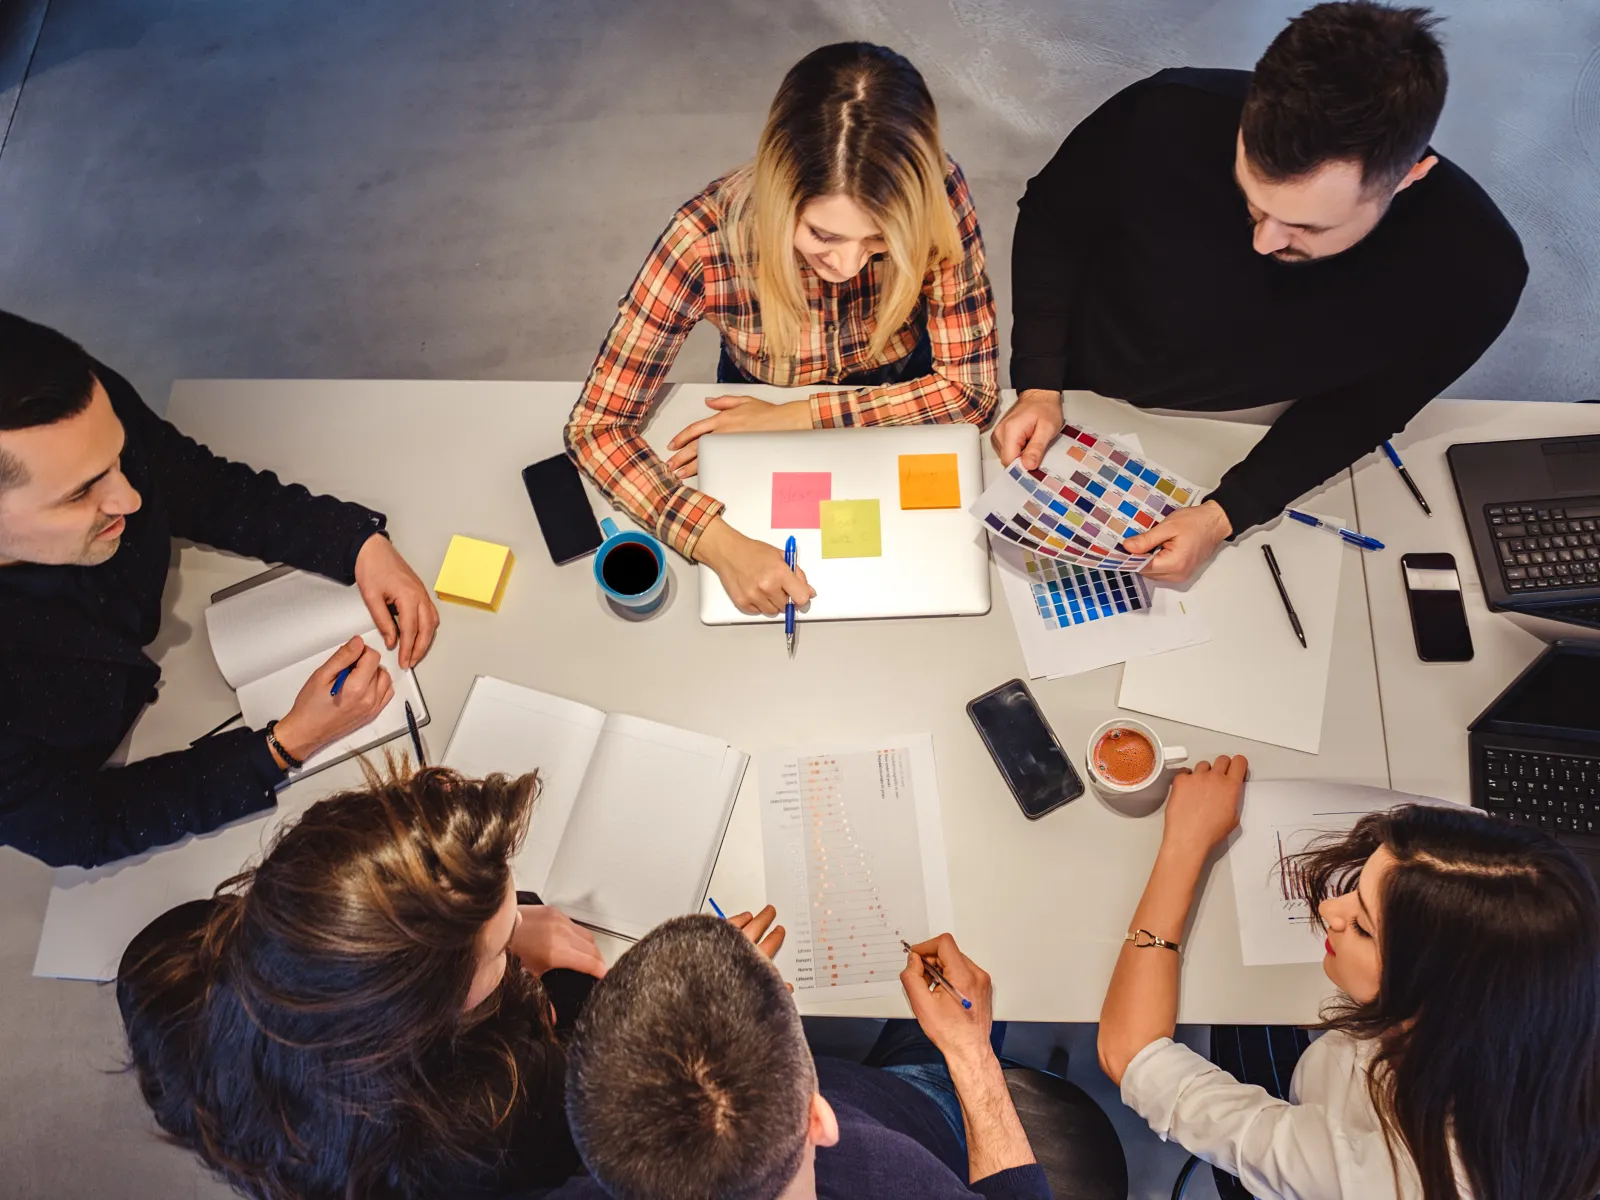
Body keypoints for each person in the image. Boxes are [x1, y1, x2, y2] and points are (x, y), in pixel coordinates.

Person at [996, 2, 1527, 583]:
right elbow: (1056, 223)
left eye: (1307, 227)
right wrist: (1040, 379)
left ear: (1407, 178)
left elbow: (1367, 408)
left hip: (1251, 426)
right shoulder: (1161, 113)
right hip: (1089, 378)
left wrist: (1226, 514)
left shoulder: (1477, 274)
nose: (1264, 241)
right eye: (1252, 194)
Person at [566, 41, 998, 615]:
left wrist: (800, 416)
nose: (847, 267)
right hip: (758, 387)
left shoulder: (936, 192)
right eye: (824, 235)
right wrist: (717, 544)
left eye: (879, 242)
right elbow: (596, 427)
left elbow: (969, 392)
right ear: (778, 188)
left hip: (900, 384)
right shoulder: (703, 240)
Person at [0, 310, 440, 867]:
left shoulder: (73, 406)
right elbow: (85, 823)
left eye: (116, 459)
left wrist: (355, 543)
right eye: (80, 494)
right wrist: (282, 747)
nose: (130, 499)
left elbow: (189, 481)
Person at [1097, 757, 1600, 1200]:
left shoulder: (1382, 1176)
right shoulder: (1545, 1007)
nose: (1328, 909)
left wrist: (1184, 844)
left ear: (1441, 997)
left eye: (1362, 926)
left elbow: (1129, 1052)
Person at [117, 766, 608, 1200]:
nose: (520, 923)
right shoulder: (495, 1115)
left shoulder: (169, 973)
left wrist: (495, 933)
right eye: (503, 945)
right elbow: (595, 1090)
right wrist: (558, 983)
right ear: (425, 1010)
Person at [525, 910, 1128, 1200]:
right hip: (922, 1110)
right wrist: (970, 1054)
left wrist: (708, 990)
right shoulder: (898, 1179)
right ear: (820, 1119)